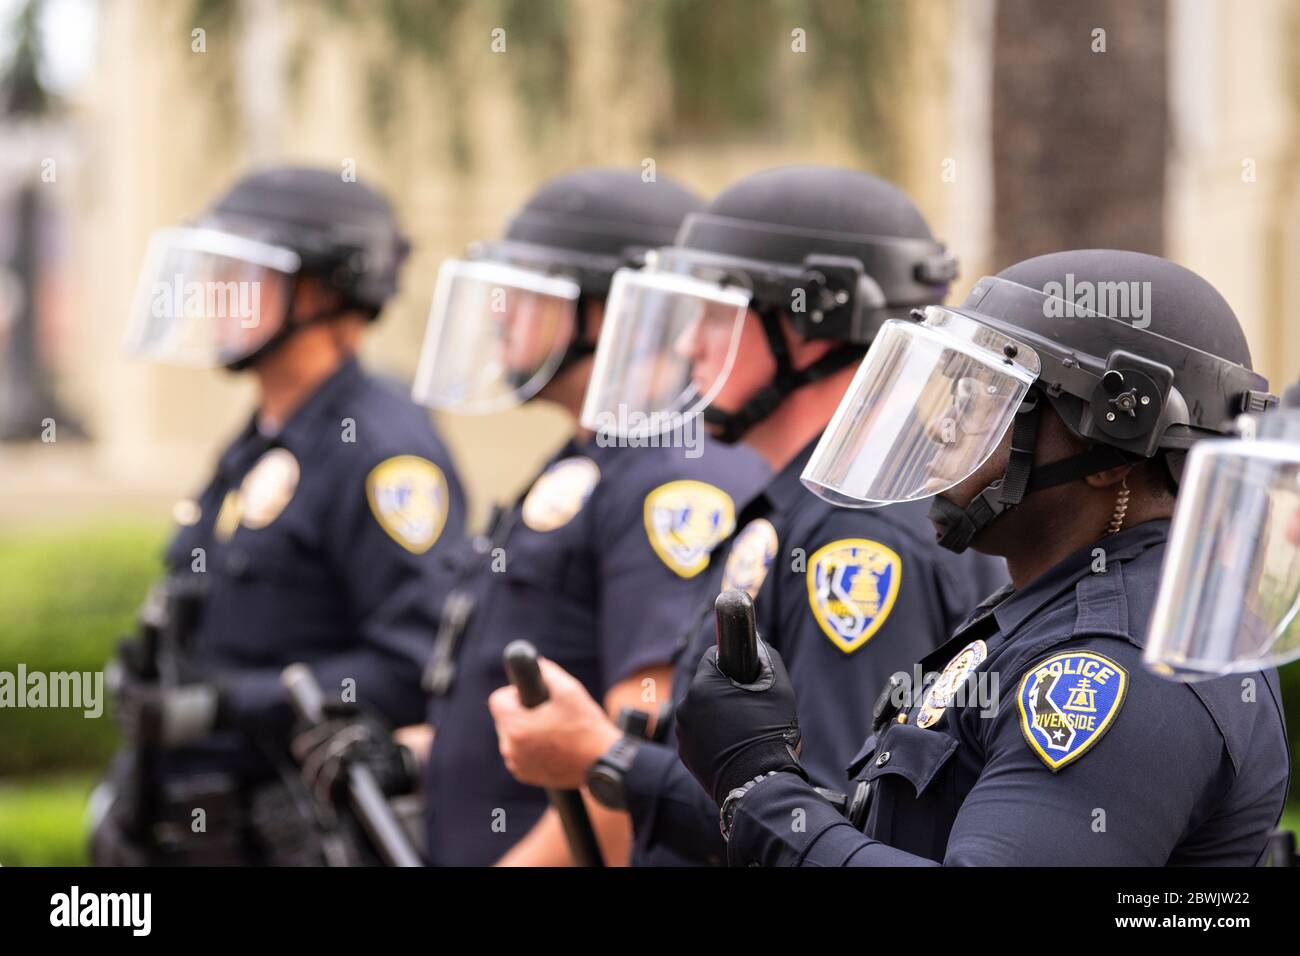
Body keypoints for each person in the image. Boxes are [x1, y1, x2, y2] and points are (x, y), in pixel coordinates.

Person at [674, 248, 1290, 866]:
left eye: (987, 396)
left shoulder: (1121, 666)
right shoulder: (1049, 606)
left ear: (1112, 453)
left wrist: (758, 788)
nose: (944, 427)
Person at [488, 165, 1007, 866]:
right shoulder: (809, 508)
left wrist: (605, 758)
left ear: (808, 329)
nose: (688, 345)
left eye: (716, 315)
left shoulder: (855, 538)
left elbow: (835, 826)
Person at [91, 166, 466, 865]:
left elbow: (417, 667)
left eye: (241, 274)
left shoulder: (380, 450)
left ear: (325, 289)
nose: (214, 294)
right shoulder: (262, 435)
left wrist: (230, 702)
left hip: (297, 837)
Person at [413, 167, 768, 866]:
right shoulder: (594, 460)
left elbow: (633, 752)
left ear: (611, 314)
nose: (500, 315)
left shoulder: (669, 478)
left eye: (529, 294)